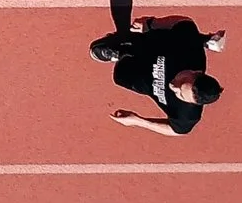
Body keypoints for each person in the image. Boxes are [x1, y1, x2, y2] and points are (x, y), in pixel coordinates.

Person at [96, 14, 226, 136]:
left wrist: (138, 121)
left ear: (191, 103)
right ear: (196, 72)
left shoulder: (188, 115)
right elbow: (183, 22)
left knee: (120, 77)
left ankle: (122, 55)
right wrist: (150, 24)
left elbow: (176, 130)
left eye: (180, 94)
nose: (173, 86)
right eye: (182, 81)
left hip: (146, 82)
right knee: (141, 37)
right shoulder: (189, 49)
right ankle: (124, 47)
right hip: (157, 48)